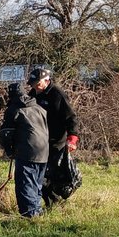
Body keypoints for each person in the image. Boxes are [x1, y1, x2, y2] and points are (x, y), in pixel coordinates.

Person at [27, 67, 80, 206]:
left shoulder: (58, 94)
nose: (35, 87)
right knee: (41, 175)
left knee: (50, 175)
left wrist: (72, 138)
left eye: (37, 84)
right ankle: (52, 203)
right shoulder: (32, 94)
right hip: (38, 141)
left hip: (56, 142)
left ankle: (54, 203)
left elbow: (71, 117)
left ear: (46, 81)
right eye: (32, 84)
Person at [0, 81, 49, 218]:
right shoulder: (39, 108)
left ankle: (29, 215)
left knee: (25, 183)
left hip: (26, 150)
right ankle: (37, 211)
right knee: (37, 183)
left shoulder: (14, 109)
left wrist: (9, 150)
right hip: (43, 151)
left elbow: (6, 132)